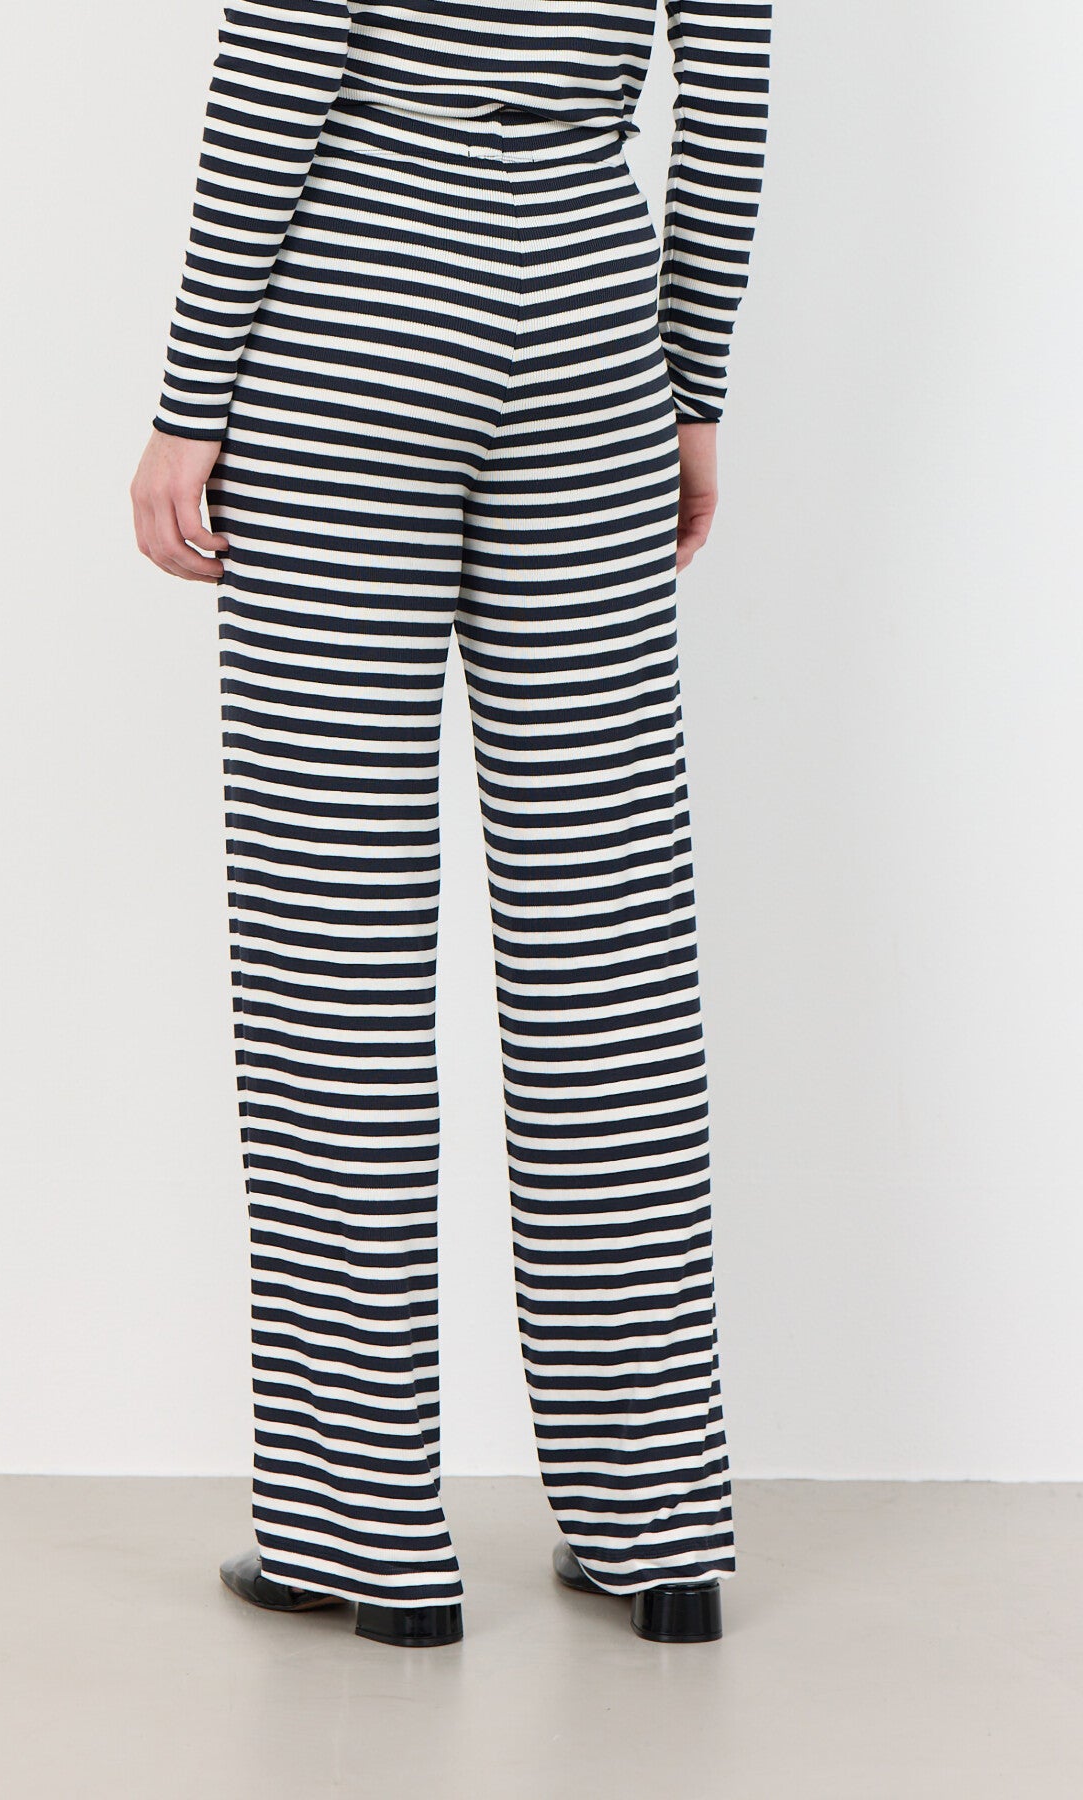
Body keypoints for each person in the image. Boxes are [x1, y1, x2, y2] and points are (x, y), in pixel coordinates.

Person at [130, 0, 770, 1650]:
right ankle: (657, 1527)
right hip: (591, 321)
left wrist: (189, 401)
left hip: (356, 311)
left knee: (332, 934)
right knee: (608, 942)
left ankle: (365, 1536)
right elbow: (730, 97)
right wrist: (688, 385)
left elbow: (281, 62)